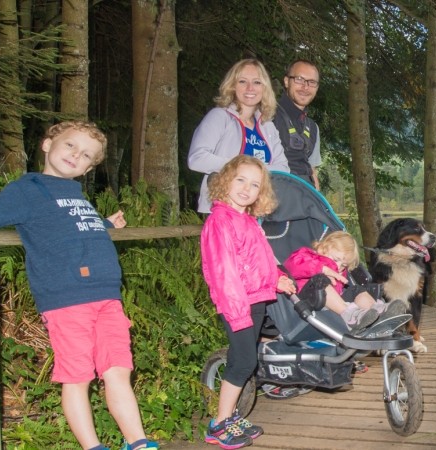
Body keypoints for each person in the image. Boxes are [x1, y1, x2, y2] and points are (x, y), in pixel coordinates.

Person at [0, 121, 157, 450]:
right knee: (78, 377)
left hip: (107, 297)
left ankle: (138, 443)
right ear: (48, 143)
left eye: (85, 156)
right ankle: (93, 447)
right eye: (70, 146)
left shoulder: (75, 193)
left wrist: (104, 223)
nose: (75, 156)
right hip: (67, 299)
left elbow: (72, 229)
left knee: (118, 370)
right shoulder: (29, 189)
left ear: (89, 167)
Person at [199, 155, 298, 449]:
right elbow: (224, 273)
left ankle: (229, 417)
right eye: (240, 179)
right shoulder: (220, 221)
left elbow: (260, 261)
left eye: (254, 185)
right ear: (225, 180)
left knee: (243, 361)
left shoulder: (247, 221)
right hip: (237, 304)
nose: (246, 188)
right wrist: (238, 313)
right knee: (243, 362)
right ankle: (218, 424)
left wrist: (277, 278)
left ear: (261, 193)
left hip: (254, 300)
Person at [188, 59, 290, 214]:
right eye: (242, 81)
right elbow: (196, 159)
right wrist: (241, 168)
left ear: (264, 88)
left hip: (259, 212)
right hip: (222, 211)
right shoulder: (219, 117)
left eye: (257, 82)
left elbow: (283, 169)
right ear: (232, 86)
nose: (250, 88)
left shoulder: (267, 125)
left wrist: (254, 171)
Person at [283, 231, 391, 332]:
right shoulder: (306, 255)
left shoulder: (340, 271)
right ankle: (351, 315)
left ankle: (378, 311)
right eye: (335, 260)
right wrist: (322, 268)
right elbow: (291, 266)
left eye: (344, 265)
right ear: (322, 248)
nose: (338, 266)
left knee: (356, 290)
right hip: (309, 299)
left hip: (336, 305)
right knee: (322, 281)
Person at [272, 59, 323, 189]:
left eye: (312, 82)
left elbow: (312, 170)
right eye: (299, 79)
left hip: (305, 197)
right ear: (286, 81)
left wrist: (319, 204)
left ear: (317, 88)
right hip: (273, 195)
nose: (305, 87)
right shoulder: (266, 116)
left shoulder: (313, 128)